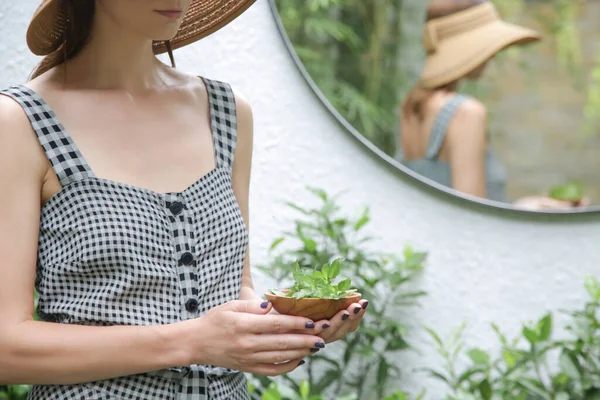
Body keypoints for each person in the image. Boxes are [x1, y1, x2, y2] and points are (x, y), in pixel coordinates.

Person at [0, 1, 368, 399]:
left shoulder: (227, 112)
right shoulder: (19, 122)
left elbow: (234, 290)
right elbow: (5, 346)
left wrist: (288, 324)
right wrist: (192, 341)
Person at [398, 0, 540, 203]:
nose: (492, 55)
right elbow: (472, 221)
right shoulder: (466, 113)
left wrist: (525, 206)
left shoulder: (411, 107)